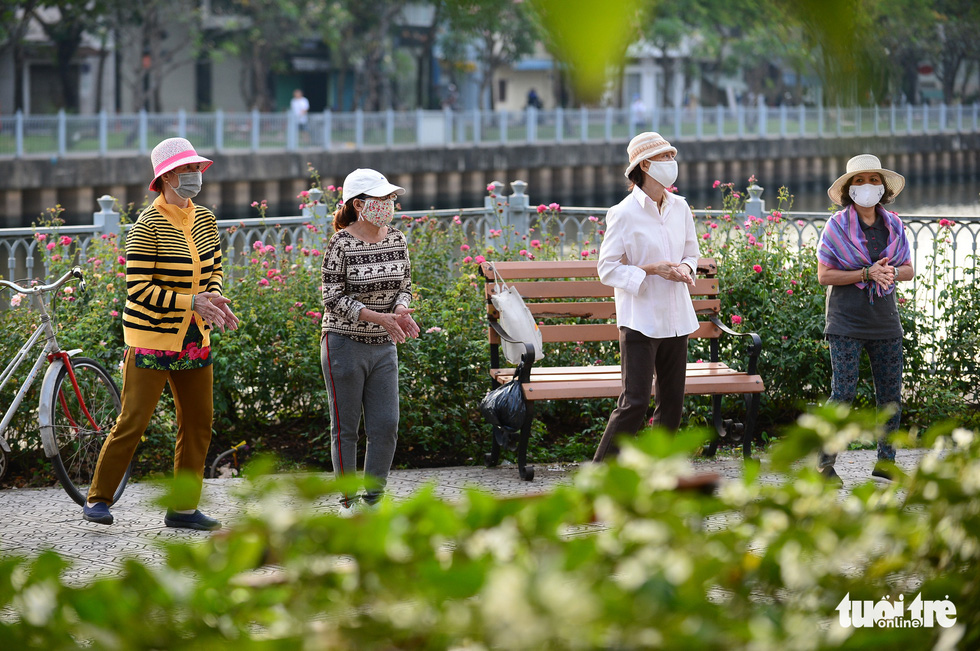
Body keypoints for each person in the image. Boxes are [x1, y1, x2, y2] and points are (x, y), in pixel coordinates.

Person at [83, 137, 240, 529]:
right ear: (167, 176)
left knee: (199, 423)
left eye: (197, 169)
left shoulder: (205, 219)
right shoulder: (145, 227)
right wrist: (192, 302)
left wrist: (214, 299)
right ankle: (98, 499)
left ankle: (183, 509)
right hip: (150, 339)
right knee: (133, 420)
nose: (194, 176)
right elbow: (139, 289)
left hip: (193, 337)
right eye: (187, 170)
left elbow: (215, 270)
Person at [592, 132, 700, 462]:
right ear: (645, 165)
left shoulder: (680, 207)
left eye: (672, 156)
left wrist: (684, 268)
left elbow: (691, 254)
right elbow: (606, 268)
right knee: (634, 402)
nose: (672, 163)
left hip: (676, 317)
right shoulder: (622, 213)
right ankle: (598, 477)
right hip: (640, 320)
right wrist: (651, 270)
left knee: (672, 406)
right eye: (665, 157)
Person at [320, 168, 420, 515]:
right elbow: (331, 297)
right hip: (344, 344)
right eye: (382, 199)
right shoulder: (340, 243)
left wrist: (401, 309)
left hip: (384, 344)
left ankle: (373, 500)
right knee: (346, 429)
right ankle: (347, 503)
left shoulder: (397, 239)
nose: (390, 205)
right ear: (360, 204)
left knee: (386, 425)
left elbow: (405, 285)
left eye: (391, 198)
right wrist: (377, 317)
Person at [816, 154, 914, 484]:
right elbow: (824, 275)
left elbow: (909, 271)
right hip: (846, 321)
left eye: (873, 180)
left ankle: (886, 463)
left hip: (885, 321)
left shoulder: (894, 225)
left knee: (889, 396)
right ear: (848, 189)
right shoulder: (836, 227)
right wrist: (865, 273)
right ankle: (825, 463)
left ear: (883, 187)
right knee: (842, 393)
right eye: (859, 181)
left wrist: (888, 272)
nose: (867, 186)